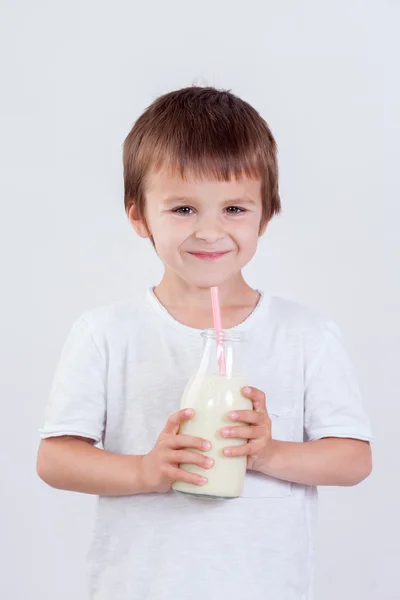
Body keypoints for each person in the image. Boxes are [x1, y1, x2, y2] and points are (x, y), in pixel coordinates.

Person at [37, 86, 373, 600]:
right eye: (184, 209)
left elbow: (352, 459)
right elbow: (56, 459)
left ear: (267, 213)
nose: (210, 232)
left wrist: (267, 453)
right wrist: (145, 470)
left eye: (235, 208)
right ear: (139, 215)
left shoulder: (306, 335)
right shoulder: (106, 333)